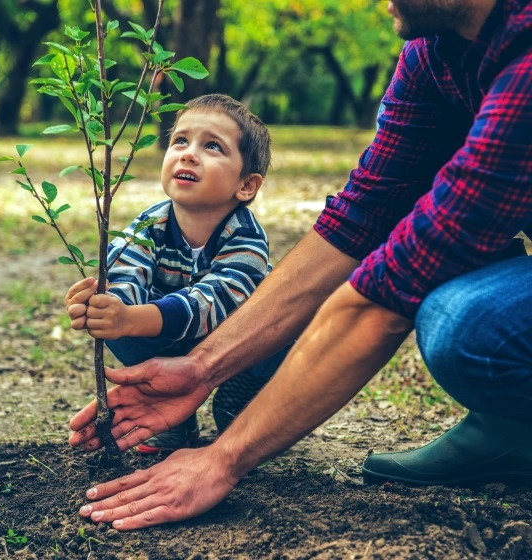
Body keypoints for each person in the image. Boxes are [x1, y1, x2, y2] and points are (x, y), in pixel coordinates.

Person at [69, 0, 532, 530]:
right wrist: (200, 370)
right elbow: (360, 219)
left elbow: (388, 294)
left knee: (463, 323)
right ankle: (513, 426)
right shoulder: (432, 54)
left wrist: (223, 458)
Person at [65, 93, 284, 454]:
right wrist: (105, 306)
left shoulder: (246, 237)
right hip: (170, 338)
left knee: (285, 333)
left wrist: (136, 317)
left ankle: (246, 390)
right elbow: (125, 272)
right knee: (120, 329)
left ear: (246, 185)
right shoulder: (151, 223)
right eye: (180, 140)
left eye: (212, 146)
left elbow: (215, 303)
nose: (188, 153)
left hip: (236, 343)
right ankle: (175, 416)